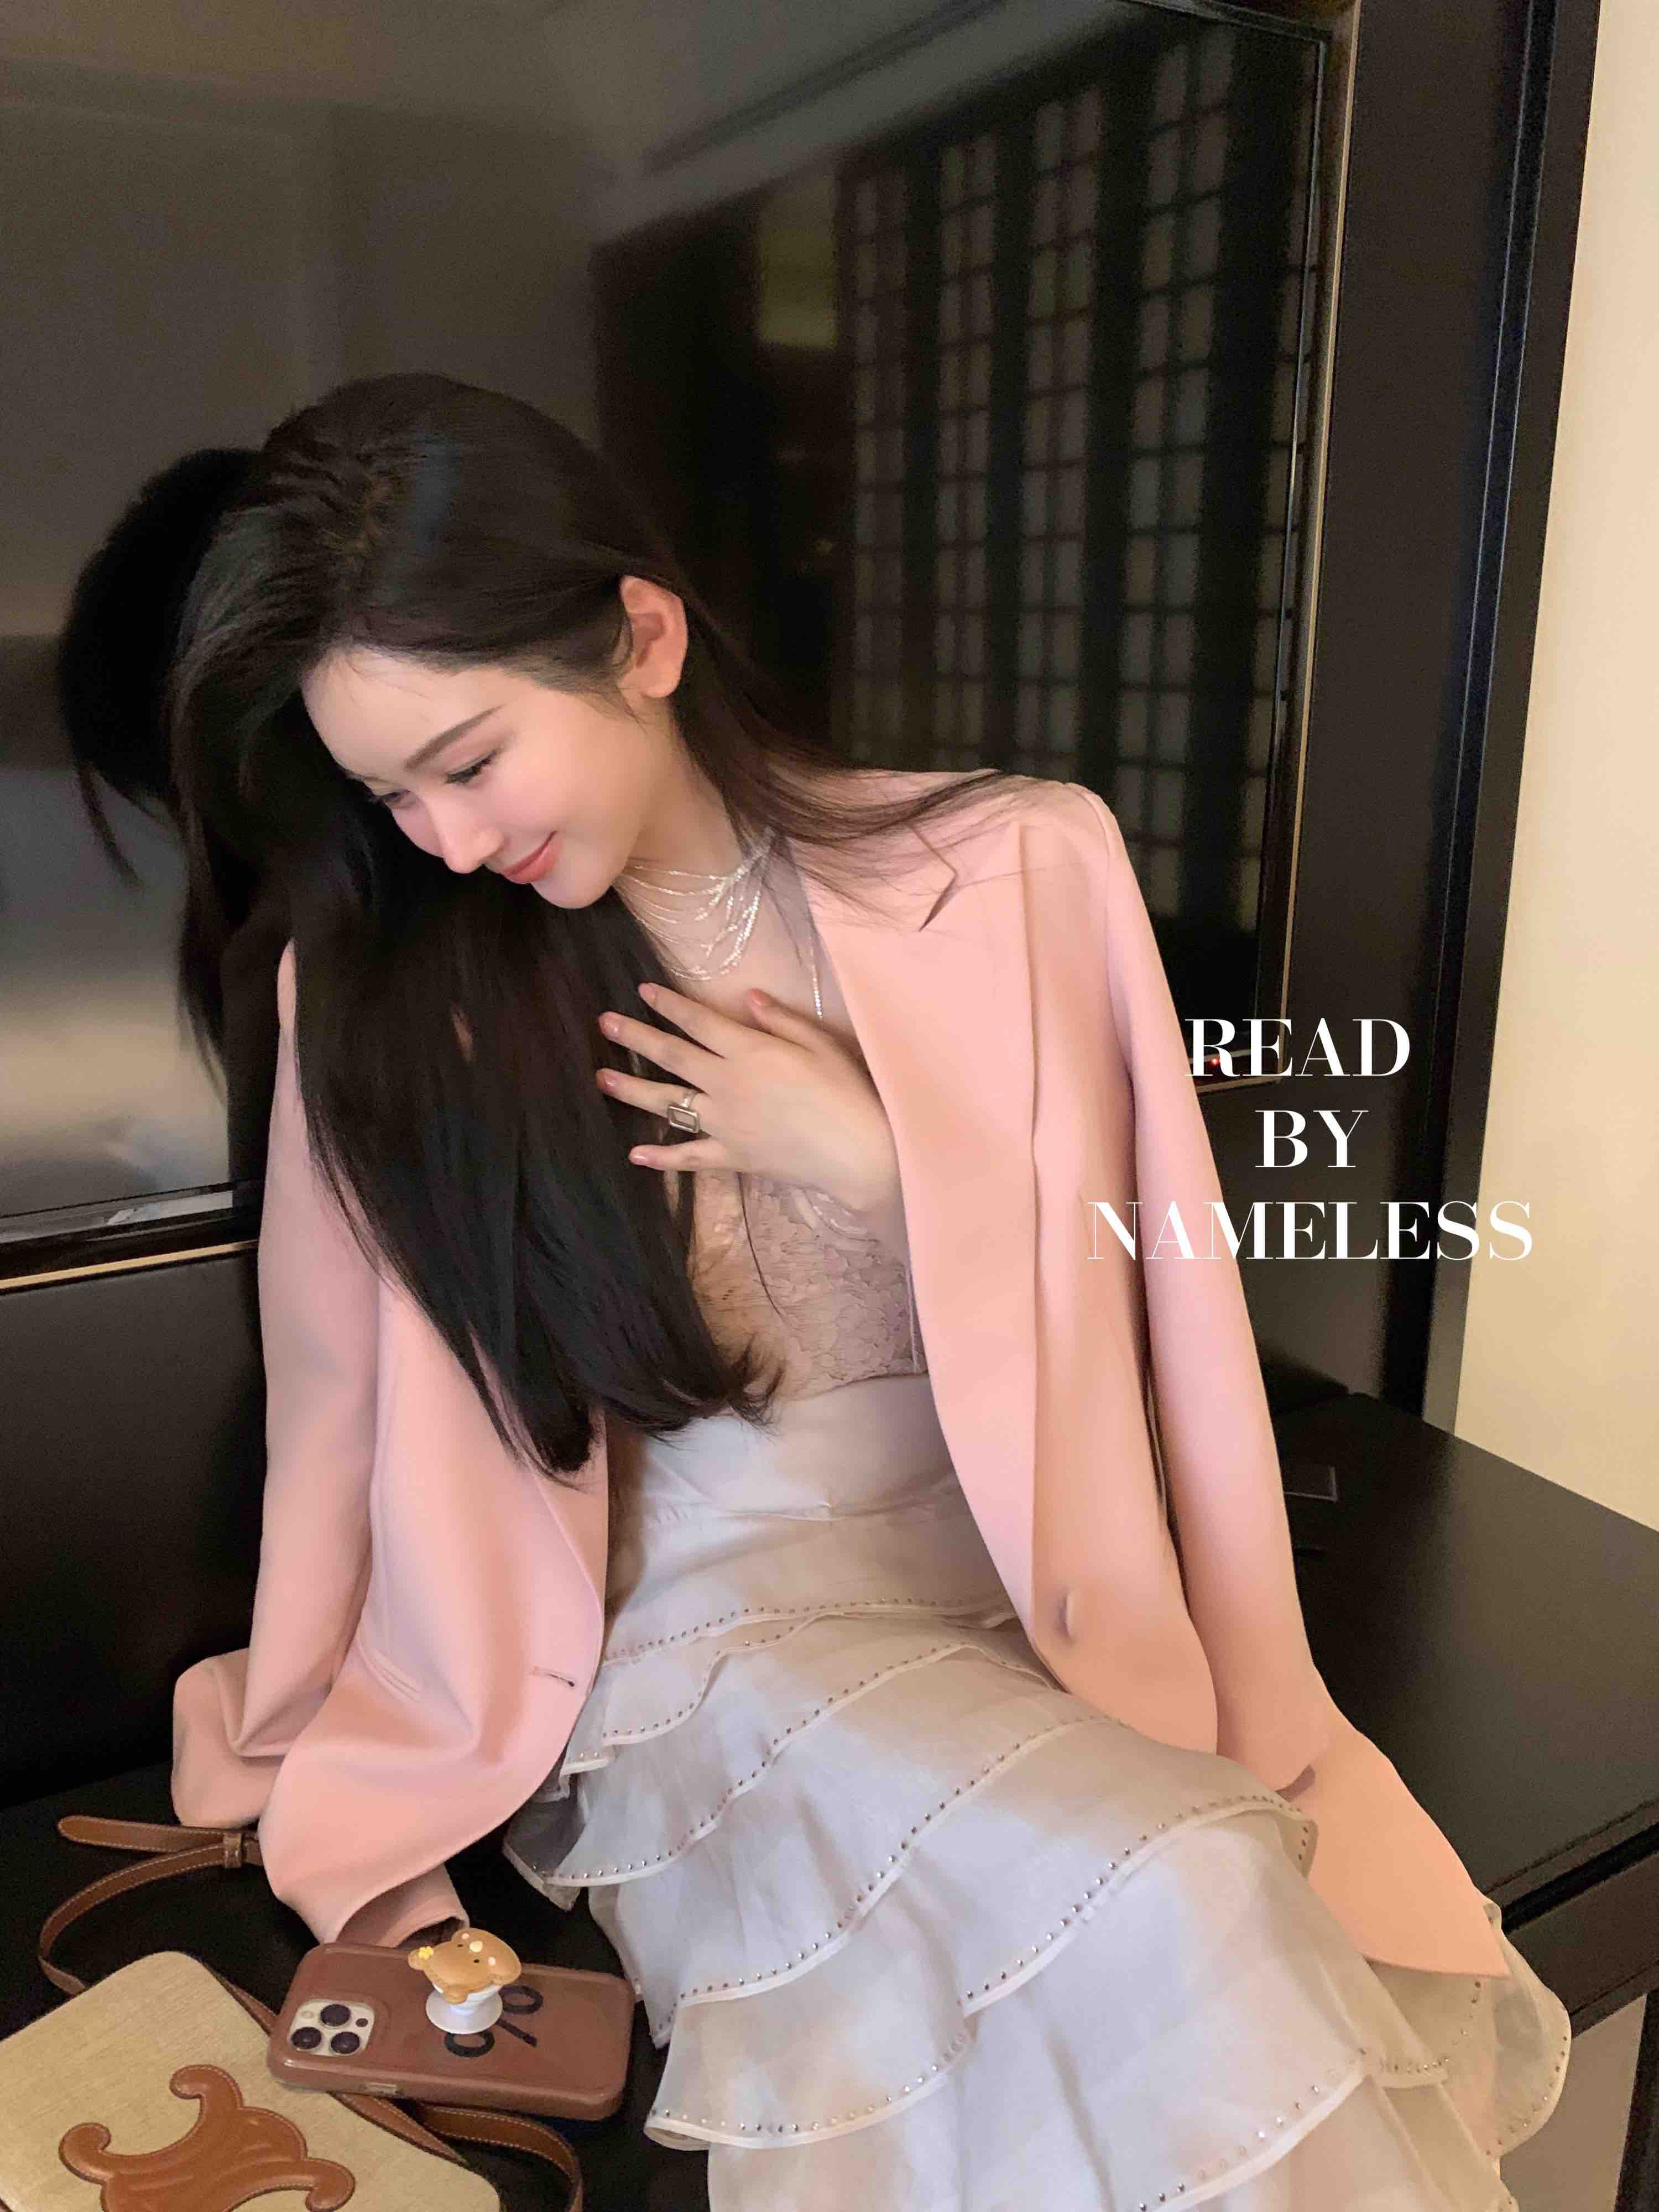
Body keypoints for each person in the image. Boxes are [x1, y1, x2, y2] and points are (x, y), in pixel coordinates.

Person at [167, 372, 1571, 2210]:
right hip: (711, 1639)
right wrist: (308, 1735)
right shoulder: (384, 992)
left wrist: (890, 1167)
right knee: (1185, 1888)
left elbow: (1156, 1299)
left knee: (1185, 1911)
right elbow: (337, 1407)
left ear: (643, 638)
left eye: (472, 760)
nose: (440, 838)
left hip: (1043, 1591)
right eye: (388, 793)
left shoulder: (1021, 863)